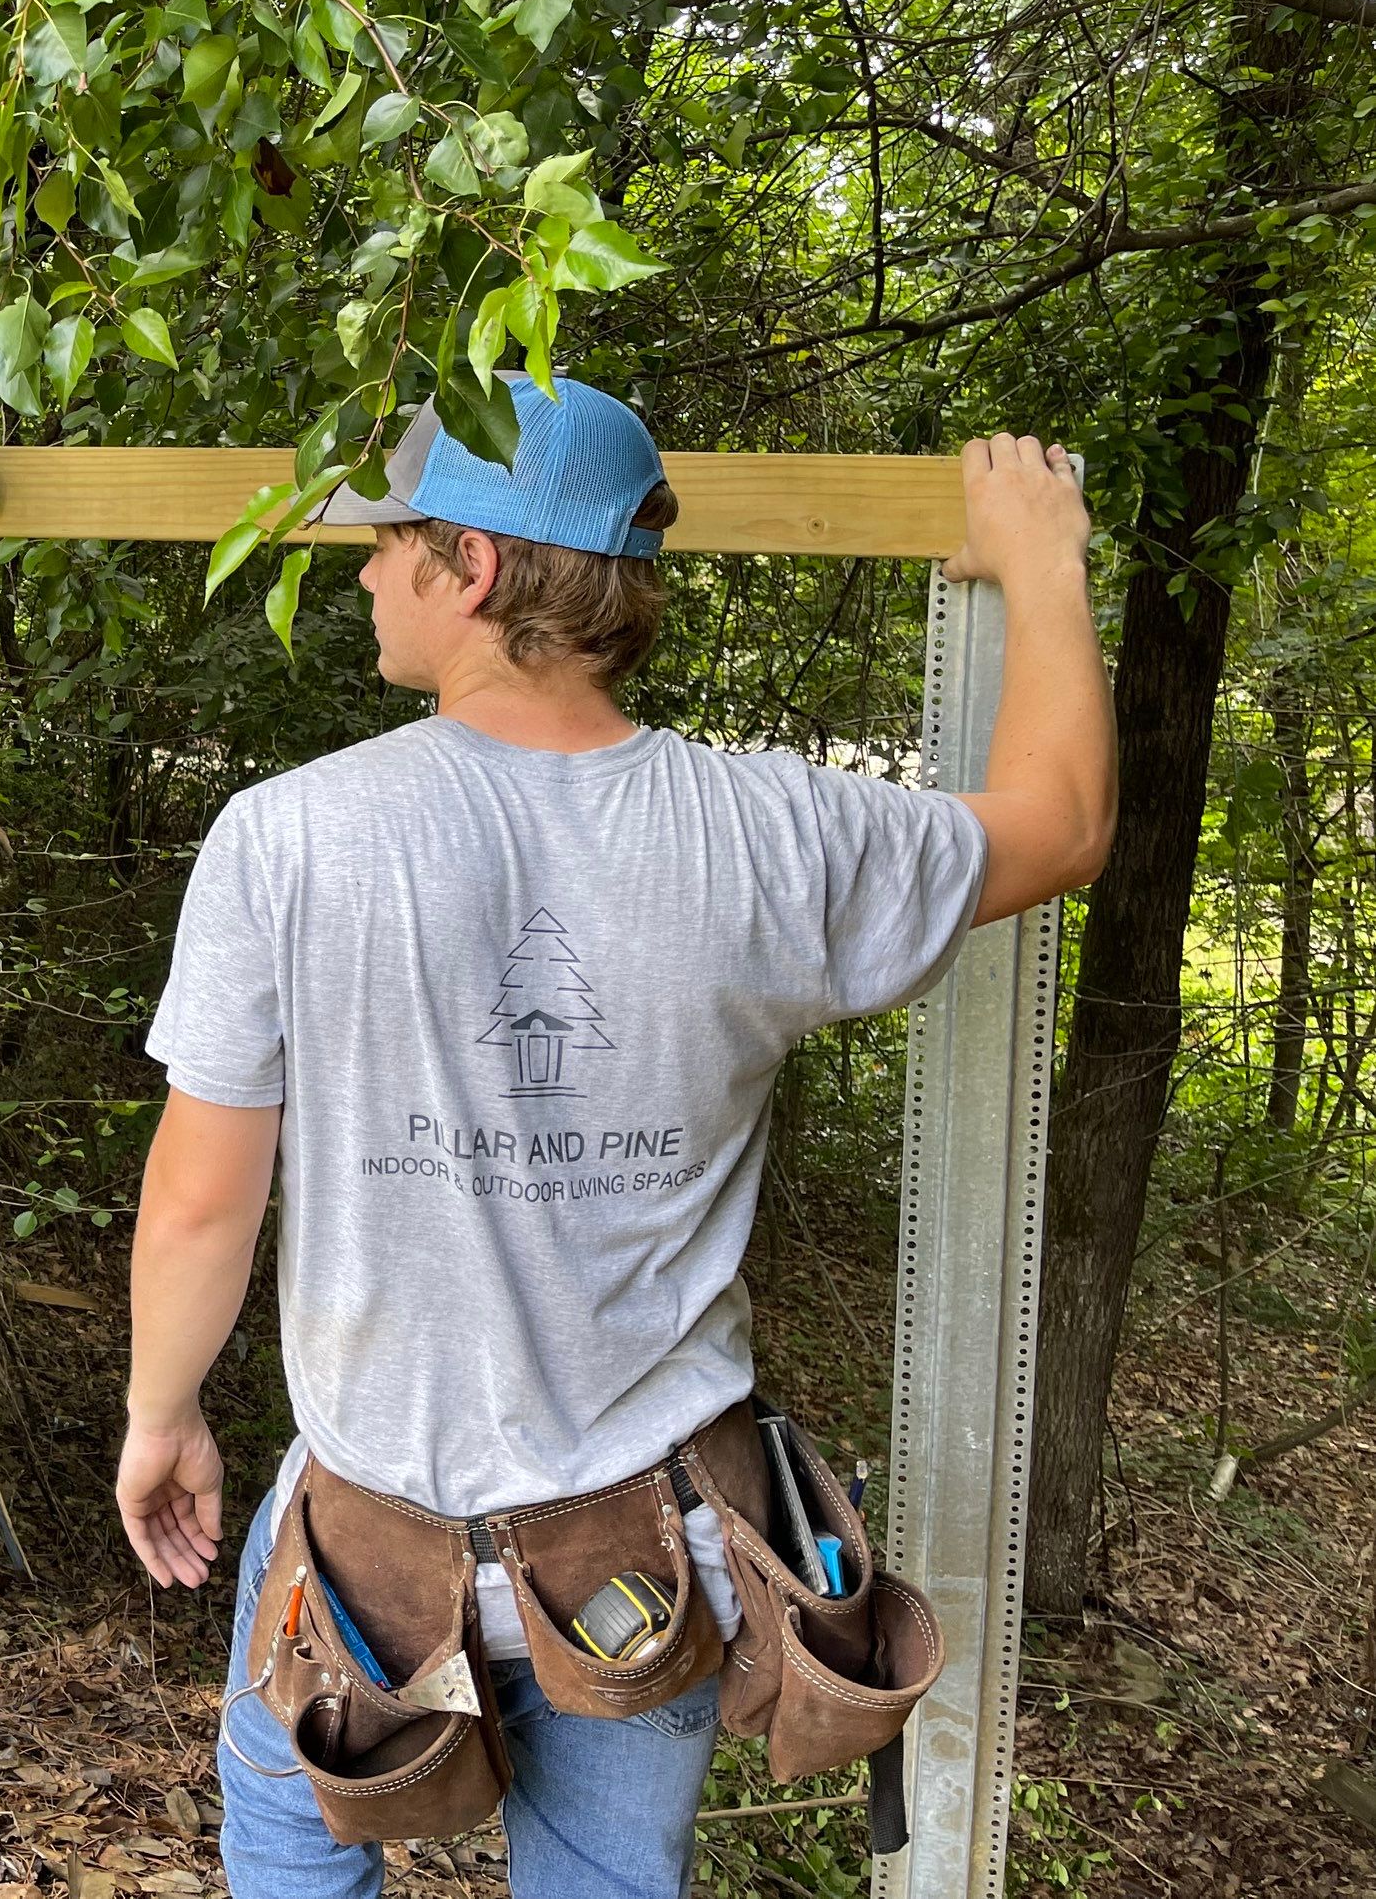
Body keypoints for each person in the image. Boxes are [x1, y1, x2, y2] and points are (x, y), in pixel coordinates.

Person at [113, 383, 1113, 1898]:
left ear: (478, 567)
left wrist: (160, 1412)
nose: (369, 572)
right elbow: (1060, 820)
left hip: (370, 1530)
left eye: (389, 543)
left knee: (289, 1836)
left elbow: (202, 1202)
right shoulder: (772, 835)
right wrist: (1042, 559)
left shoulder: (289, 836)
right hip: (648, 1553)